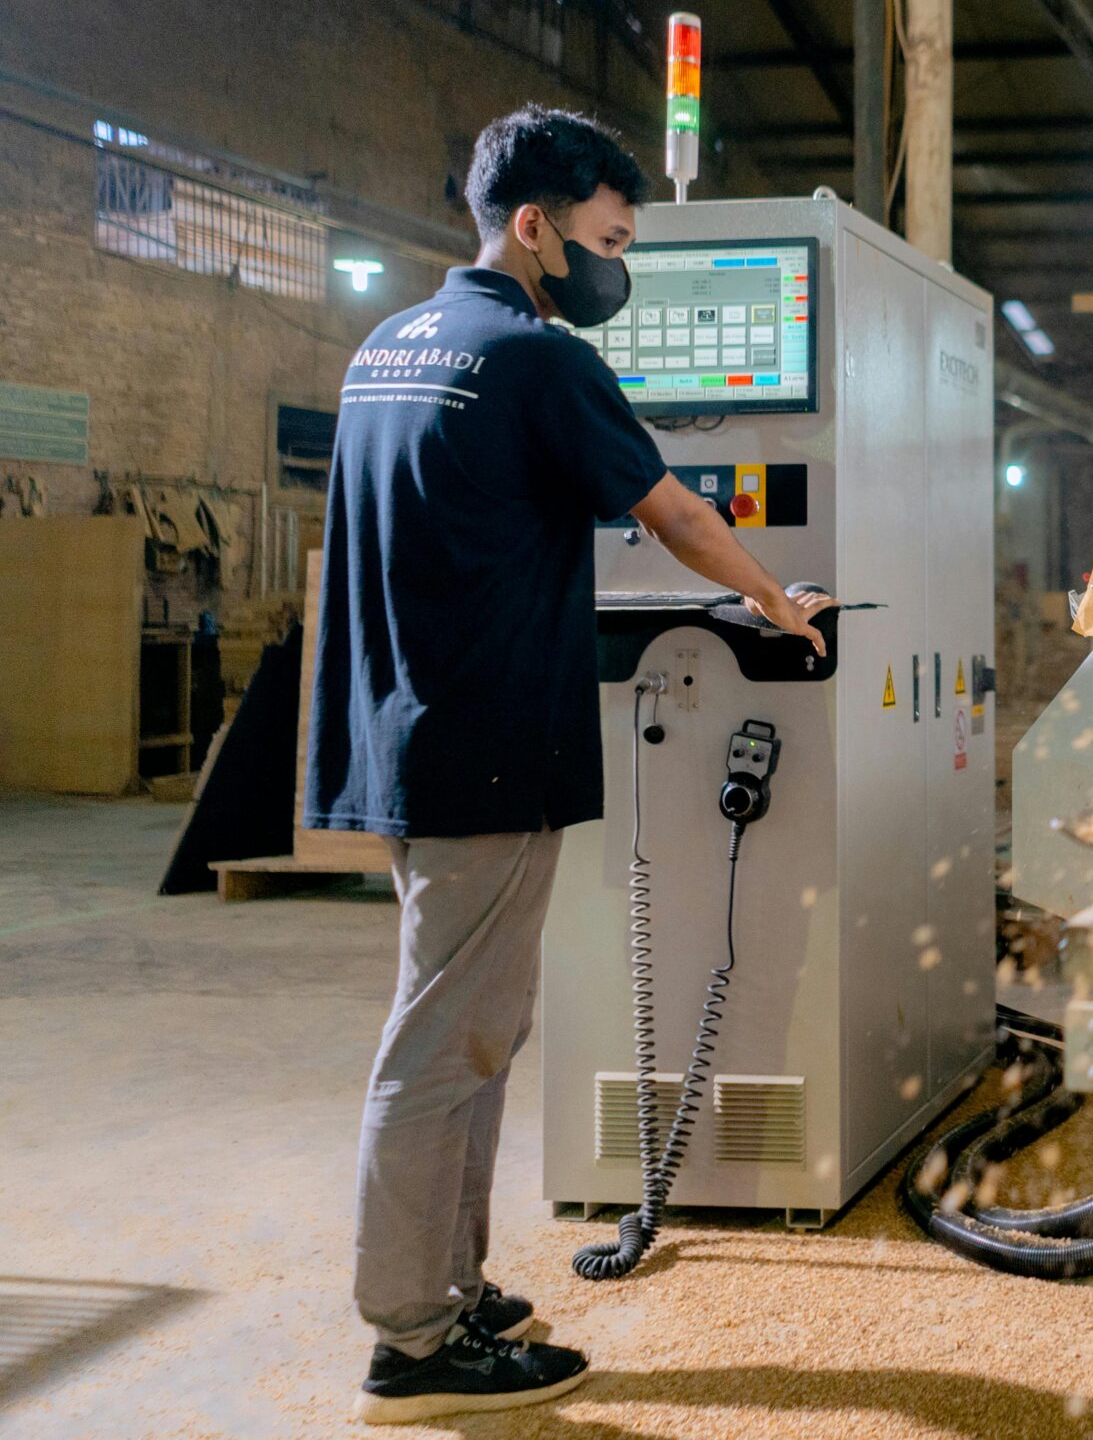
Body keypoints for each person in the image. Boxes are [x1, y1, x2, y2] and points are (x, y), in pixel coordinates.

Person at [307, 105, 830, 1424]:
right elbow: (670, 510)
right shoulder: (535, 359)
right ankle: (412, 1343)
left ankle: (451, 1288)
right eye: (605, 240)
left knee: (469, 1032)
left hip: (403, 737)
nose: (615, 268)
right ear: (532, 227)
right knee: (444, 1043)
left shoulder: (388, 350)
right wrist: (778, 601)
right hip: (489, 746)